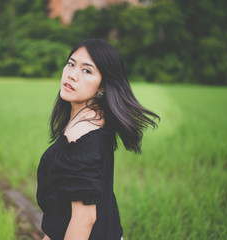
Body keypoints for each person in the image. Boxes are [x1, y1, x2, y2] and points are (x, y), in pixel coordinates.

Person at [36, 39, 159, 240]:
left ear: (102, 86)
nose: (72, 75)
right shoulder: (95, 117)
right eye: (71, 63)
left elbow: (83, 220)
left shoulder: (82, 136)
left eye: (87, 71)